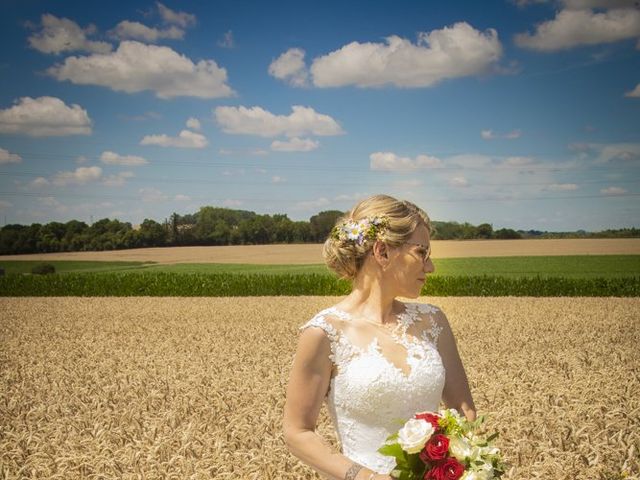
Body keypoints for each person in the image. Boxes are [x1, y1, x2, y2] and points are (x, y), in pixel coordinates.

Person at [283, 194, 476, 480]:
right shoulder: (324, 332)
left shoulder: (434, 321)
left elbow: (464, 412)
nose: (430, 266)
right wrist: (367, 478)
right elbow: (296, 432)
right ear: (383, 252)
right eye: (421, 252)